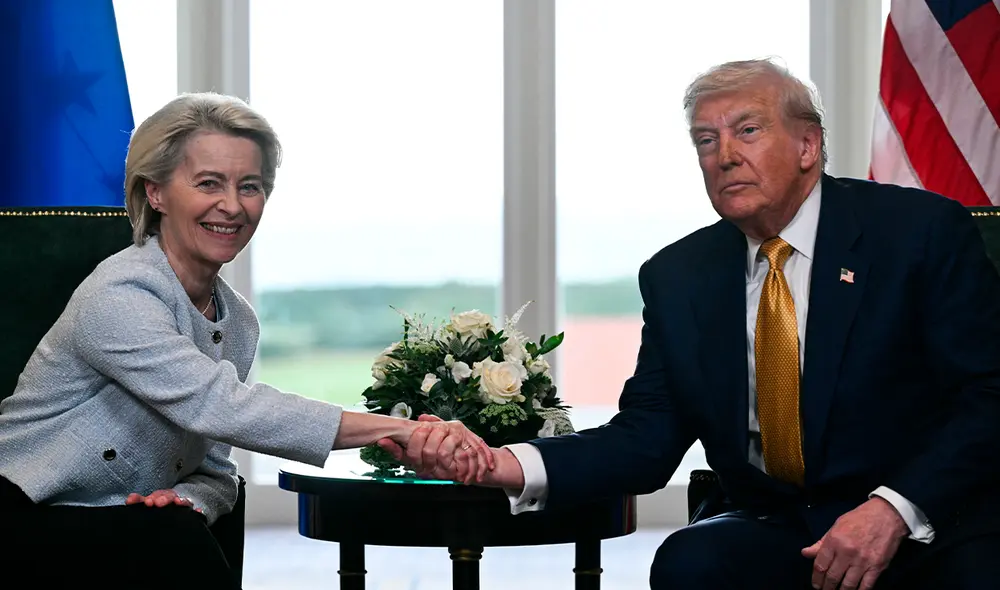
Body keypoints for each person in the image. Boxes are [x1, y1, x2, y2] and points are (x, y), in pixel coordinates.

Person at [384, 59, 1000, 590]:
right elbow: (646, 440)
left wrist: (890, 510)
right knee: (692, 562)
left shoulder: (917, 234)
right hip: (781, 524)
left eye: (748, 131)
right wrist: (496, 462)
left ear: (808, 146)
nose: (725, 154)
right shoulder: (681, 275)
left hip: (924, 519)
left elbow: (987, 397)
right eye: (706, 140)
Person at [0, 92, 492, 589]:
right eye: (208, 183)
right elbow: (223, 406)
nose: (232, 206)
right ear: (156, 193)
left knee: (174, 530)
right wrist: (402, 431)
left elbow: (215, 468)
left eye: (250, 186)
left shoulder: (238, 322)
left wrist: (189, 497)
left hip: (119, 522)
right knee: (173, 543)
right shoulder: (121, 292)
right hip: (24, 511)